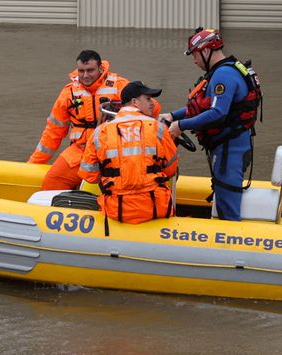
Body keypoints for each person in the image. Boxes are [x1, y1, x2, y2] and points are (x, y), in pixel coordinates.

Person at [165, 28, 261, 221]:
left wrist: (180, 125)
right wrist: (172, 115)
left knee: (227, 206)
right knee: (223, 197)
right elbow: (203, 106)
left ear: (206, 51)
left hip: (230, 149)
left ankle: (232, 238)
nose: (194, 61)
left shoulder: (224, 75)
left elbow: (217, 113)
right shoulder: (225, 70)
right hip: (229, 146)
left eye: (195, 55)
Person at [29, 49, 144, 191]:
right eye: (81, 71)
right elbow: (53, 131)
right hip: (81, 150)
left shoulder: (120, 85)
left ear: (100, 68)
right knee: (53, 181)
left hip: (115, 150)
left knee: (122, 184)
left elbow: (151, 108)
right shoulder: (69, 92)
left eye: (90, 70)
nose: (85, 75)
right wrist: (33, 164)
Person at [80, 81, 179, 224]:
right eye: (148, 99)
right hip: (155, 208)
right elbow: (171, 170)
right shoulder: (158, 128)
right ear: (134, 102)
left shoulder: (100, 132)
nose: (152, 103)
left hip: (117, 209)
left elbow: (89, 175)